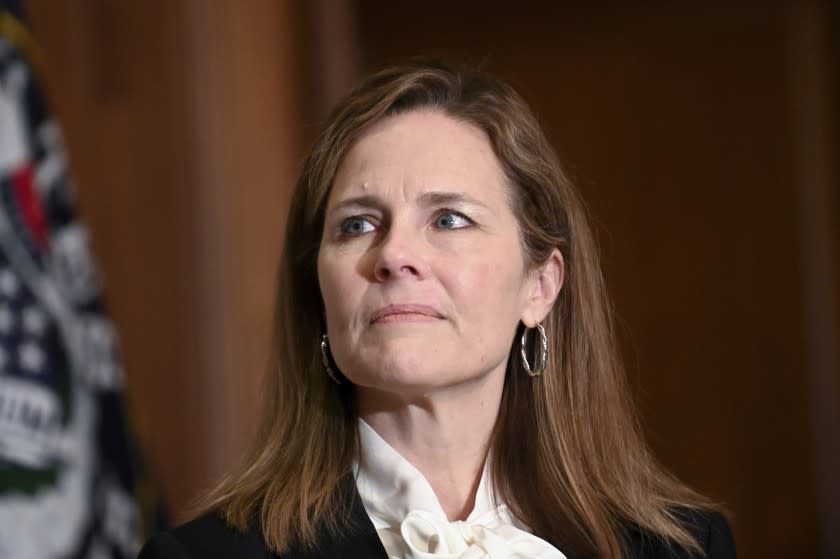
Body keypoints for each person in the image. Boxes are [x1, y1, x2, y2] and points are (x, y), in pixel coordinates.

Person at [139, 60, 736, 559]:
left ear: (540, 284)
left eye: (449, 218)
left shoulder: (683, 548)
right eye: (358, 224)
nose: (395, 255)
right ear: (318, 291)